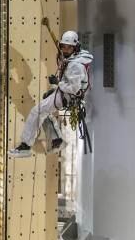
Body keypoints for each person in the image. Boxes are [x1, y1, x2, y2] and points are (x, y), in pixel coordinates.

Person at [9, 30, 93, 158]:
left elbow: (73, 89)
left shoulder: (76, 65)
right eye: (63, 47)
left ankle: (25, 146)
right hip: (66, 94)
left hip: (67, 96)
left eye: (69, 47)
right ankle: (56, 139)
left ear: (75, 48)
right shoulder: (75, 58)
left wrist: (58, 83)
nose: (65, 50)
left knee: (36, 111)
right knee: (44, 107)